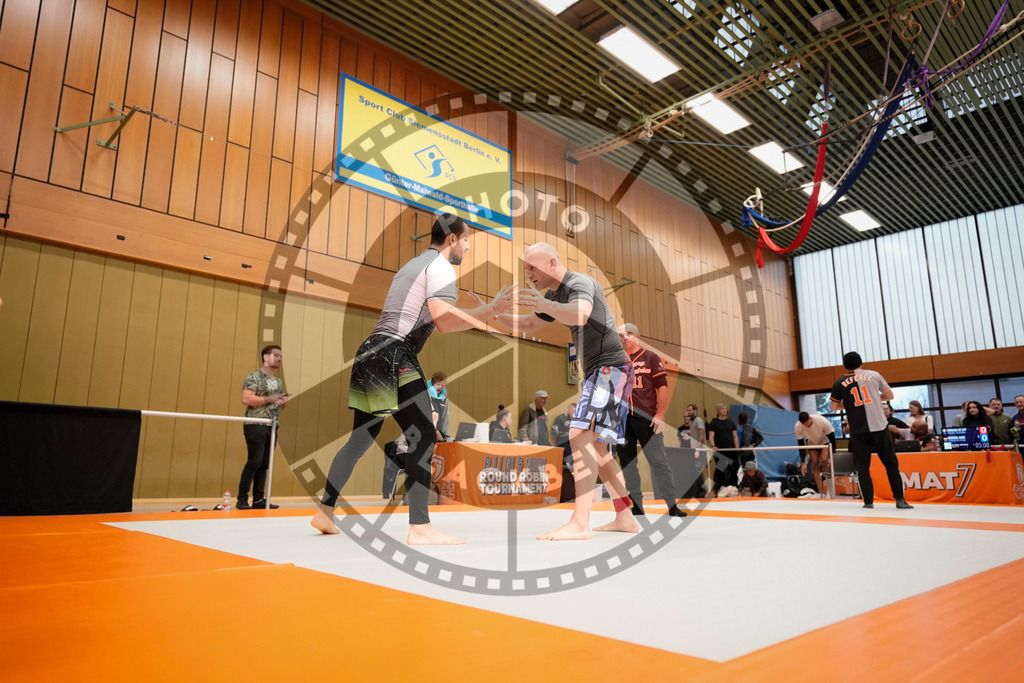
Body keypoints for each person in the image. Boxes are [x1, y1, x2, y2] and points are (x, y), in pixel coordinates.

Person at [311, 213, 514, 545]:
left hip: (370, 351)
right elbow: (444, 321)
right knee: (423, 437)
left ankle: (325, 511)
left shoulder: (412, 264)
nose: (467, 247)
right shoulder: (442, 267)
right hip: (394, 354)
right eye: (466, 240)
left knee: (359, 441)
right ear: (451, 240)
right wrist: (491, 311)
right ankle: (420, 527)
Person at [493, 242, 637, 540]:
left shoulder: (579, 282)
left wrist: (547, 306)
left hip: (610, 368)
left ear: (552, 263)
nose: (528, 272)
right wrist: (494, 315)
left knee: (579, 434)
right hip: (602, 373)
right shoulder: (554, 296)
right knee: (598, 449)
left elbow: (580, 314)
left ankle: (580, 523)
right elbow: (530, 323)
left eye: (532, 266)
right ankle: (625, 516)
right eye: (526, 268)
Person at [616, 323, 686, 518]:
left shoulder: (650, 357)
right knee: (628, 463)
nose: (626, 337)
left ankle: (672, 504)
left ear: (638, 336)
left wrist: (660, 415)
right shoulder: (616, 360)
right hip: (622, 420)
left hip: (646, 418)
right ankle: (637, 504)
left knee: (659, 462)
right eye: (622, 335)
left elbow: (662, 386)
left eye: (630, 333)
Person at [830, 351, 913, 510]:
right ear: (861, 361)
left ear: (845, 365)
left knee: (862, 467)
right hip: (880, 427)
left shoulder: (840, 382)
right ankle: (900, 500)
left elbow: (834, 406)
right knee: (891, 464)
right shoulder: (874, 375)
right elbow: (889, 395)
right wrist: (875, 398)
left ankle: (868, 502)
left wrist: (849, 404)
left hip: (858, 430)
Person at [239, 345, 289, 510]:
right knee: (254, 461)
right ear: (266, 357)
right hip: (256, 423)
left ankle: (259, 499)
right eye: (276, 355)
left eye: (281, 356)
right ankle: (242, 499)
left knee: (264, 463)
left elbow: (278, 405)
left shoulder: (278, 381)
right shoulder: (254, 376)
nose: (279, 359)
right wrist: (269, 399)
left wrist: (281, 402)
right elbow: (246, 399)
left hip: (272, 425)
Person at [794, 411, 836, 497]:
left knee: (824, 459)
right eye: (804, 425)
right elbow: (801, 444)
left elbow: (832, 439)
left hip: (825, 441)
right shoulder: (798, 426)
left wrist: (832, 456)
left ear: (810, 418)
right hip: (813, 442)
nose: (806, 426)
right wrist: (803, 462)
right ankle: (821, 492)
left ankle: (829, 489)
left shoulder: (822, 421)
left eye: (808, 424)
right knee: (815, 463)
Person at [707, 403, 739, 495]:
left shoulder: (731, 422)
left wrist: (737, 449)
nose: (725, 410)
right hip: (720, 451)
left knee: (734, 470)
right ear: (718, 411)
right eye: (722, 409)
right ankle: (719, 489)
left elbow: (735, 436)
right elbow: (711, 436)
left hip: (731, 451)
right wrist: (713, 446)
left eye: (725, 408)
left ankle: (733, 489)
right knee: (721, 471)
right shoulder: (714, 423)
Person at [551, 402, 577, 503]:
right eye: (573, 412)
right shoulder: (560, 418)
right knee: (564, 471)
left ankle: (570, 494)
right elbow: (554, 432)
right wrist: (564, 433)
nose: (574, 415)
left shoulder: (575, 421)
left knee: (571, 472)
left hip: (572, 449)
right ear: (569, 410)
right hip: (562, 449)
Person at [427, 370, 449, 441]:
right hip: (429, 431)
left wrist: (446, 434)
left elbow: (446, 417)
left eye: (442, 385)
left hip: (440, 431)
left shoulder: (444, 398)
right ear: (433, 384)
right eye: (438, 384)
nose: (440, 387)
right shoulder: (426, 396)